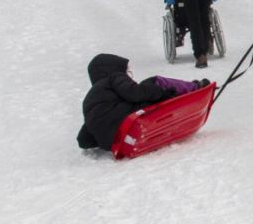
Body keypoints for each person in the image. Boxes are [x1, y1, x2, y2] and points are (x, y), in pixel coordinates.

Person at [76, 53, 206, 151]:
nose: (128, 75)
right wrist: (160, 93)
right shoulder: (114, 77)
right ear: (114, 69)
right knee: (154, 83)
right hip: (128, 123)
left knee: (139, 100)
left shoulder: (91, 99)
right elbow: (135, 93)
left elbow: (83, 140)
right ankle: (193, 88)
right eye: (126, 71)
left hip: (113, 143)